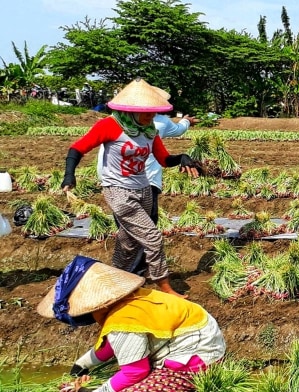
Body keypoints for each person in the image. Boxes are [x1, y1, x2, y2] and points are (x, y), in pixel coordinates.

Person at [61, 78, 201, 298]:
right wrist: (70, 175)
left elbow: (163, 159)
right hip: (118, 190)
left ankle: (115, 280)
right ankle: (163, 284)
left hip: (144, 189)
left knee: (129, 242)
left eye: (153, 112)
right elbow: (77, 148)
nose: (150, 116)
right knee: (153, 237)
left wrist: (182, 157)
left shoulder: (149, 130)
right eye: (145, 112)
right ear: (131, 110)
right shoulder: (109, 126)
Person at [37, 255, 226, 392]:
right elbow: (111, 344)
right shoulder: (130, 299)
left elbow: (135, 371)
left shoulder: (123, 320)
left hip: (194, 362)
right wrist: (83, 363)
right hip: (207, 344)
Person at [96, 88, 198, 276]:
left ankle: (122, 273)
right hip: (142, 181)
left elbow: (164, 158)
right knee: (147, 231)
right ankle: (139, 273)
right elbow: (179, 130)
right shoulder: (160, 122)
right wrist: (187, 121)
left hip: (116, 179)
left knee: (128, 231)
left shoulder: (123, 124)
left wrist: (182, 157)